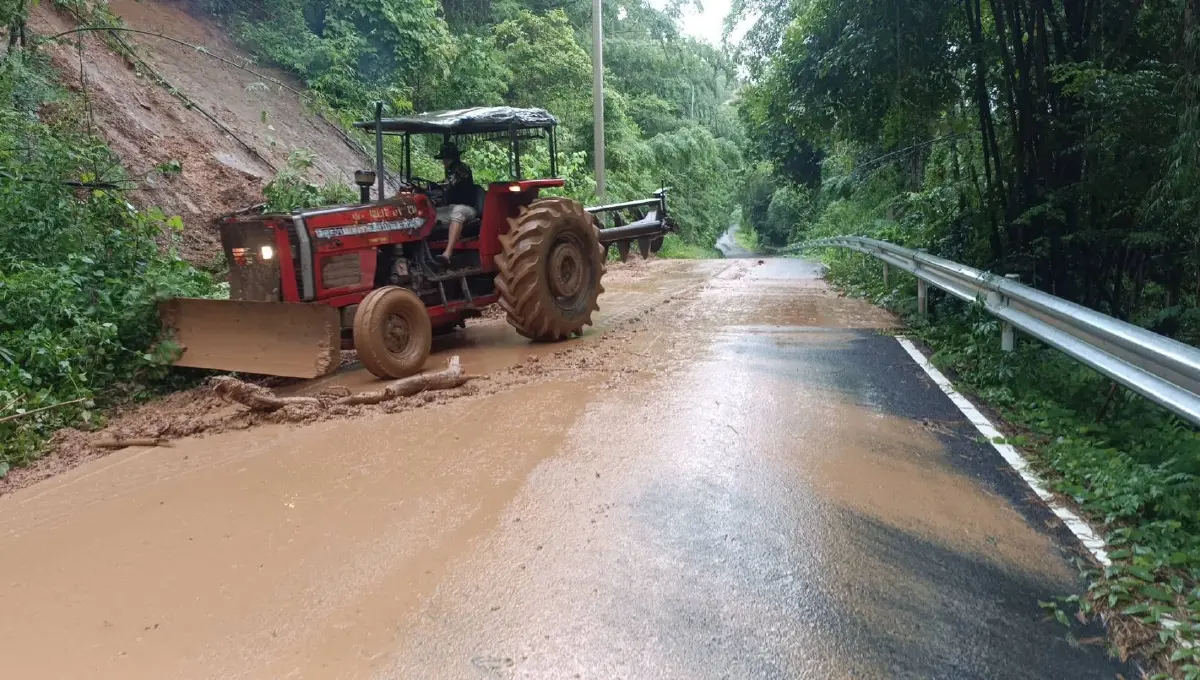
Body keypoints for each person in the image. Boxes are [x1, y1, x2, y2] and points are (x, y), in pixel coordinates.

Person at [433, 141, 476, 266]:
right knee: (430, 214)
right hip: (451, 208)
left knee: (457, 212)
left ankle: (447, 254)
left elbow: (446, 184)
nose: (443, 162)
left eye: (445, 159)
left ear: (452, 158)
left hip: (468, 208)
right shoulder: (450, 171)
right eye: (443, 159)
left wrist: (430, 187)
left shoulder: (462, 169)